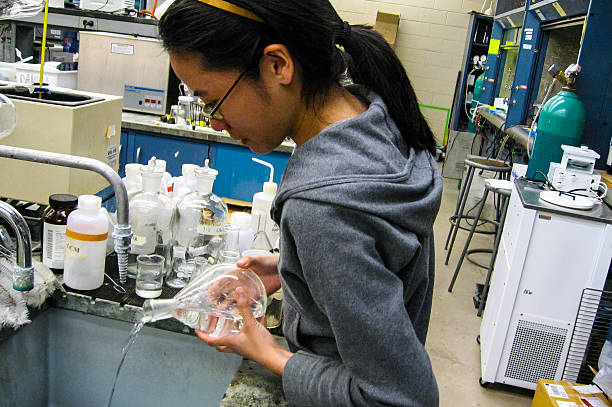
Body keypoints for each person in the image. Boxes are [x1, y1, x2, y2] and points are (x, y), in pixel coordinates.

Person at [159, 0, 442, 405]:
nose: (215, 122)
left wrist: (270, 354)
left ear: (278, 65)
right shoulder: (374, 119)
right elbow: (383, 251)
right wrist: (291, 266)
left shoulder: (321, 207)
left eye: (212, 101)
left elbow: (400, 398)